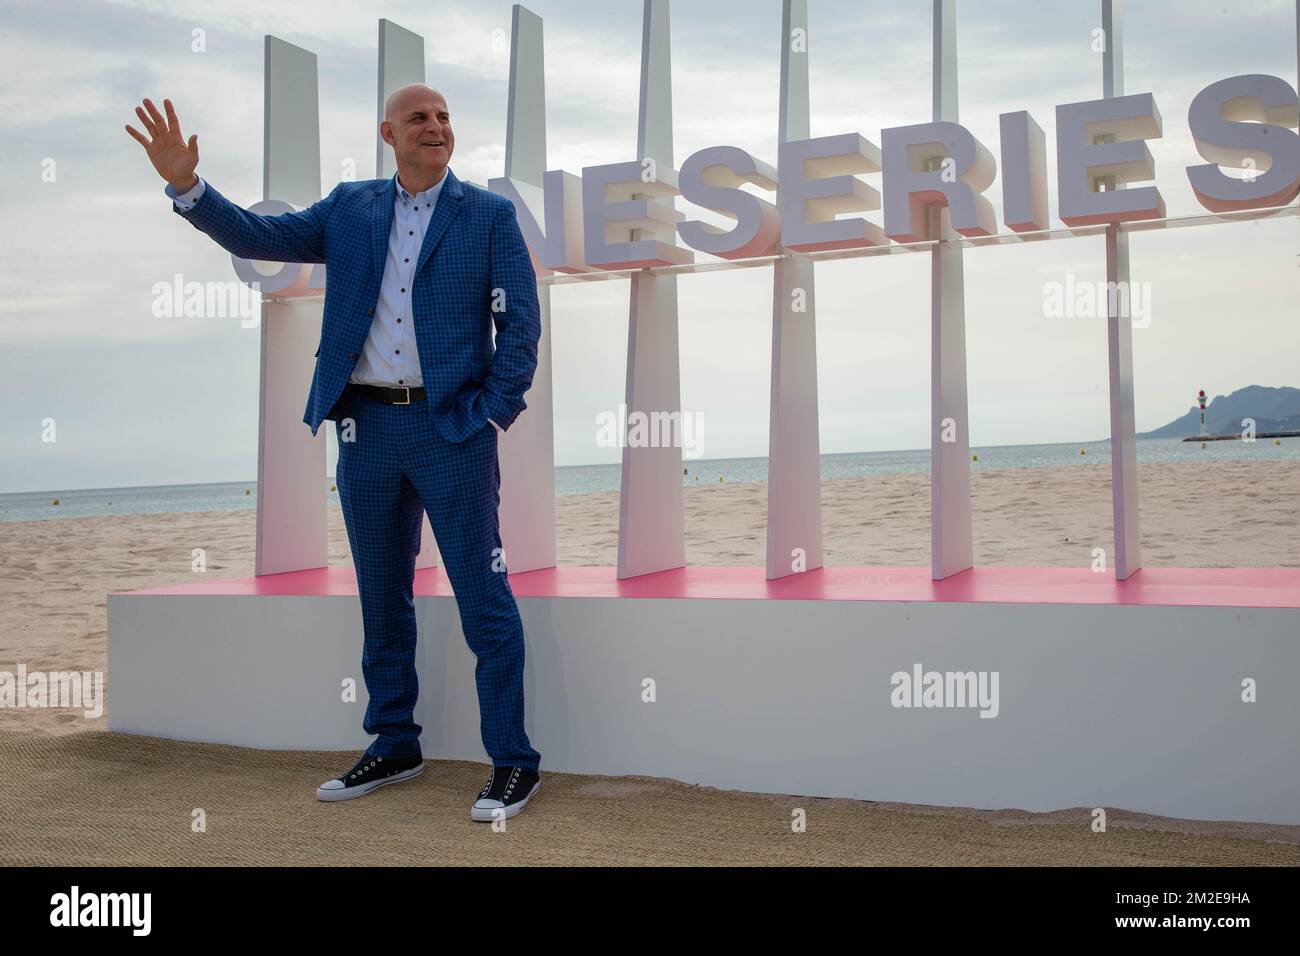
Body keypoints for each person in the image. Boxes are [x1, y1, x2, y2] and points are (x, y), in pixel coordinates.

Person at [125, 86, 544, 821]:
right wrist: (187, 186)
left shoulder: (488, 216)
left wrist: (491, 414)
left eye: (444, 117)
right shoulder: (351, 209)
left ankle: (512, 761)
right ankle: (394, 741)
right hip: (367, 431)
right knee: (382, 598)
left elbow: (520, 326)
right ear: (389, 133)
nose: (436, 127)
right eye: (420, 118)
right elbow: (261, 237)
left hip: (453, 433)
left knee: (484, 601)